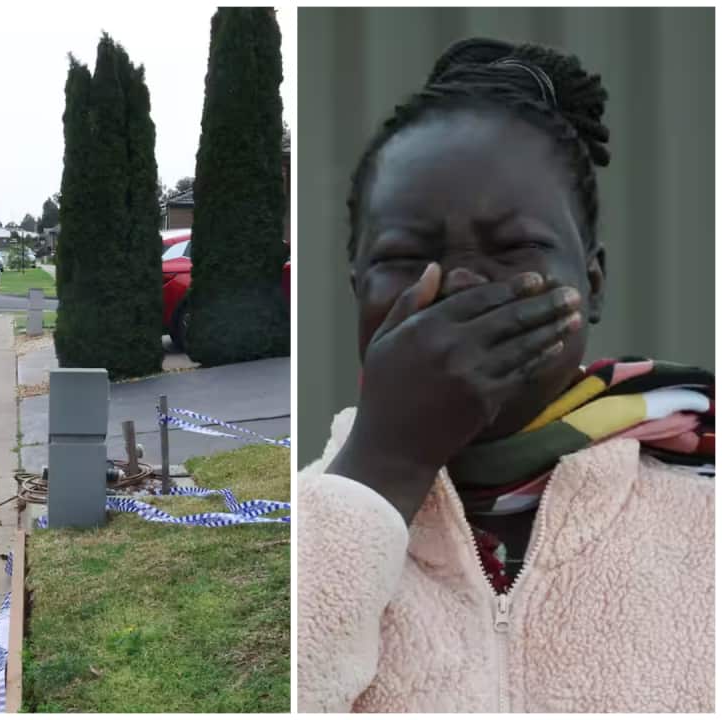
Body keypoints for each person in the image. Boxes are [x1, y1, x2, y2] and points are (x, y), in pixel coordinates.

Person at [297, 38, 714, 713]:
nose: (462, 283)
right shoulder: (308, 533)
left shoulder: (704, 517)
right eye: (404, 255)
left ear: (593, 284)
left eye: (516, 247)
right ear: (358, 293)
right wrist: (386, 464)